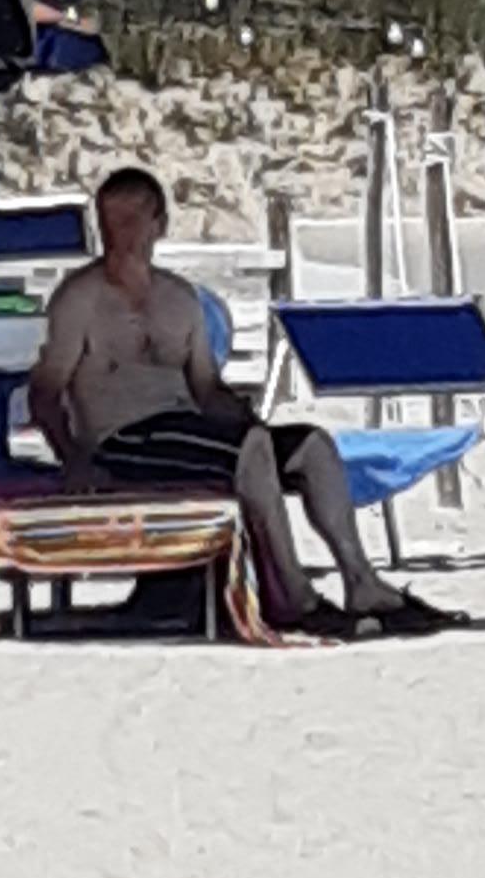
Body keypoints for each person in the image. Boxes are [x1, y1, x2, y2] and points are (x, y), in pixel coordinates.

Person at [27, 162, 447, 638]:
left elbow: (206, 389)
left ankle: (361, 580)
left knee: (313, 446)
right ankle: (292, 595)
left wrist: (250, 421)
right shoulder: (79, 300)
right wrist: (74, 458)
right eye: (109, 222)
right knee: (250, 447)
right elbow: (45, 392)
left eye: (131, 220)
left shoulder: (180, 300)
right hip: (121, 437)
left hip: (186, 428)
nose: (118, 234)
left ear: (159, 225)